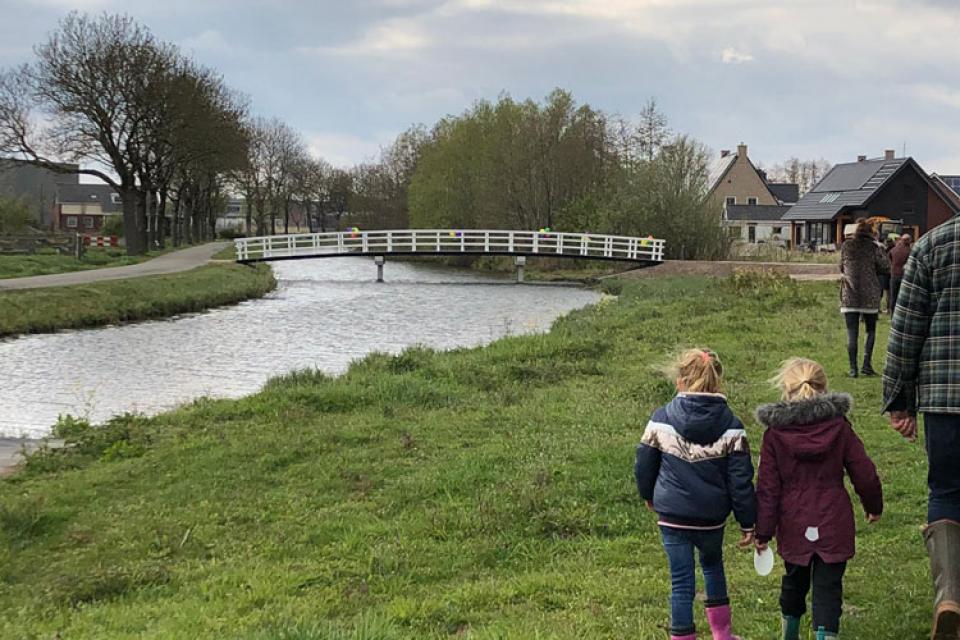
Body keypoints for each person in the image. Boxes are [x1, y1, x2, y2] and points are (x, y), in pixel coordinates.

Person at [755, 358, 883, 640]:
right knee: (828, 587)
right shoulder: (840, 427)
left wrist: (762, 531)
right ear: (824, 388)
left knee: (794, 578)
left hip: (793, 520)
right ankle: (826, 634)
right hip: (833, 519)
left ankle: (790, 630)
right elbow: (864, 471)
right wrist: (873, 505)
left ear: (786, 391)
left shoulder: (775, 435)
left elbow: (767, 488)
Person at [635, 348, 757, 640]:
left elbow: (643, 464)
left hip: (672, 515)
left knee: (681, 582)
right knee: (713, 567)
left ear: (680, 381)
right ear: (718, 382)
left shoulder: (660, 419)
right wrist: (747, 521)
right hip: (711, 518)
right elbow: (741, 481)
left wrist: (648, 494)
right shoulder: (733, 427)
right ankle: (722, 635)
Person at [883, 214, 960, 640]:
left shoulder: (932, 246)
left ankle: (949, 596)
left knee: (946, 491)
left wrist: (900, 401)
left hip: (945, 400)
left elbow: (906, 329)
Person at [839, 219, 890, 377]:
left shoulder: (846, 246)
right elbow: (885, 267)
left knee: (852, 333)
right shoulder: (874, 247)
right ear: (871, 232)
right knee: (870, 330)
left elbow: (841, 266)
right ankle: (866, 365)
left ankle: (853, 369)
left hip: (850, 294)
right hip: (870, 295)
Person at [888, 234, 912, 311]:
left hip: (894, 275)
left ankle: (892, 315)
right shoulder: (910, 251)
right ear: (909, 241)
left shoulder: (893, 250)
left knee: (893, 296)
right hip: (905, 276)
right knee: (904, 297)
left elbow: (889, 260)